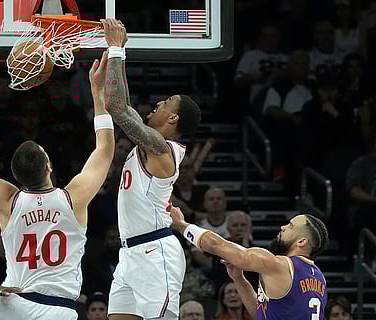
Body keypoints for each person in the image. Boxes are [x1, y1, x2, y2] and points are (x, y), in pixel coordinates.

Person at [0, 50, 114, 320]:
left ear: (15, 178)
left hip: (12, 306)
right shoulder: (74, 198)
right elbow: (105, 150)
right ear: (49, 165)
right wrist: (98, 93)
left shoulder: (7, 200)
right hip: (56, 310)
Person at [101, 19, 202, 320]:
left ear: (173, 120)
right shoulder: (148, 144)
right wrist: (121, 55)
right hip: (129, 253)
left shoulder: (162, 149)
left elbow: (116, 108)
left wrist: (116, 49)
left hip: (156, 252)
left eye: (167, 102)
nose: (159, 102)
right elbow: (124, 104)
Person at [169, 206, 329, 320]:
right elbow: (261, 314)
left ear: (301, 241)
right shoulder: (320, 278)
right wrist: (239, 280)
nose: (283, 227)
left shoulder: (280, 265)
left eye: (291, 226)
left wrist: (183, 226)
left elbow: (218, 246)